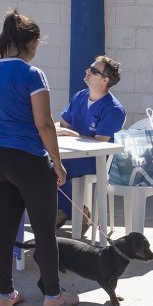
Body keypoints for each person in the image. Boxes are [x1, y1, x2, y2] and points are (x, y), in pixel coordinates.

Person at [0, 9, 79, 306]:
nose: (36, 51)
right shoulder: (32, 74)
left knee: (4, 230)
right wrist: (58, 163)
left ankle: (5, 294)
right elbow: (44, 123)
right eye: (36, 45)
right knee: (44, 230)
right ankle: (52, 295)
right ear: (29, 42)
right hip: (27, 160)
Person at [54, 56, 126, 233]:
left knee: (54, 167)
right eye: (89, 68)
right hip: (73, 153)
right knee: (39, 162)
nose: (87, 71)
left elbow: (99, 142)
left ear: (105, 80)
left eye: (93, 71)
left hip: (96, 160)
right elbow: (64, 125)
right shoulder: (80, 96)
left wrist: (71, 133)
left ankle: (75, 213)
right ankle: (65, 210)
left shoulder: (114, 109)